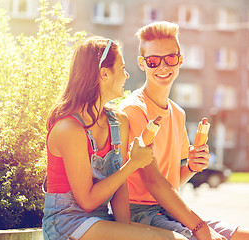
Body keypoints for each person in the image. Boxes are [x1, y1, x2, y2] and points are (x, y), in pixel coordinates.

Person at [119, 21, 249, 240]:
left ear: (180, 60)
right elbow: (153, 182)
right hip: (139, 214)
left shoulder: (178, 113)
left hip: (168, 209)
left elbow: (170, 182)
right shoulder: (133, 109)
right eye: (153, 60)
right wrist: (200, 228)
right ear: (142, 63)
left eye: (170, 58)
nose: (163, 67)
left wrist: (191, 166)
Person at [42, 35, 189, 240]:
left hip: (100, 222)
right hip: (67, 224)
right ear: (104, 74)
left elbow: (119, 187)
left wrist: (127, 230)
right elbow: (87, 201)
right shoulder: (69, 129)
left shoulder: (118, 121)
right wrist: (133, 164)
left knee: (180, 238)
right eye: (122, 68)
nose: (127, 75)